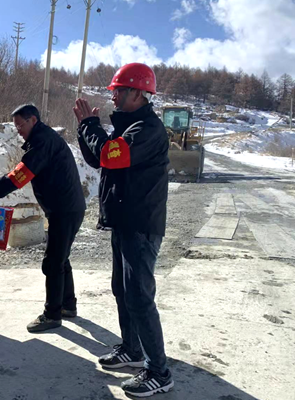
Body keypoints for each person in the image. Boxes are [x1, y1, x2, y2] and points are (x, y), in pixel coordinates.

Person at [73, 62, 174, 397]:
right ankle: (132, 349)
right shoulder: (128, 126)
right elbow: (98, 158)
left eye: (118, 90)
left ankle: (159, 371)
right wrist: (84, 128)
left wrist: (91, 125)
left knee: (140, 297)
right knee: (123, 289)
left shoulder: (148, 129)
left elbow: (110, 155)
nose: (113, 96)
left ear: (138, 93)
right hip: (124, 222)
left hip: (140, 224)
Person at [0, 104, 86, 333]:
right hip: (66, 208)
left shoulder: (42, 141)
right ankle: (67, 305)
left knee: (53, 262)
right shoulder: (43, 139)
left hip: (64, 209)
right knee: (61, 258)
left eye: (20, 125)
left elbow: (21, 174)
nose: (18, 131)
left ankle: (52, 314)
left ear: (33, 120)